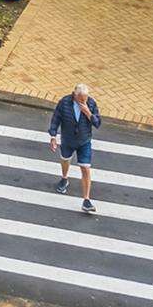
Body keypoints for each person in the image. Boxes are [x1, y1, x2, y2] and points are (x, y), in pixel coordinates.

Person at [48, 83, 102, 214]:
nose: (84, 101)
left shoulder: (91, 104)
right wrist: (53, 136)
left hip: (84, 141)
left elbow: (97, 123)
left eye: (86, 99)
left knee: (85, 167)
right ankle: (64, 177)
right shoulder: (64, 102)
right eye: (81, 99)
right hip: (68, 140)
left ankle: (86, 199)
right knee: (65, 159)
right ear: (75, 96)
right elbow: (56, 119)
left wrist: (88, 112)